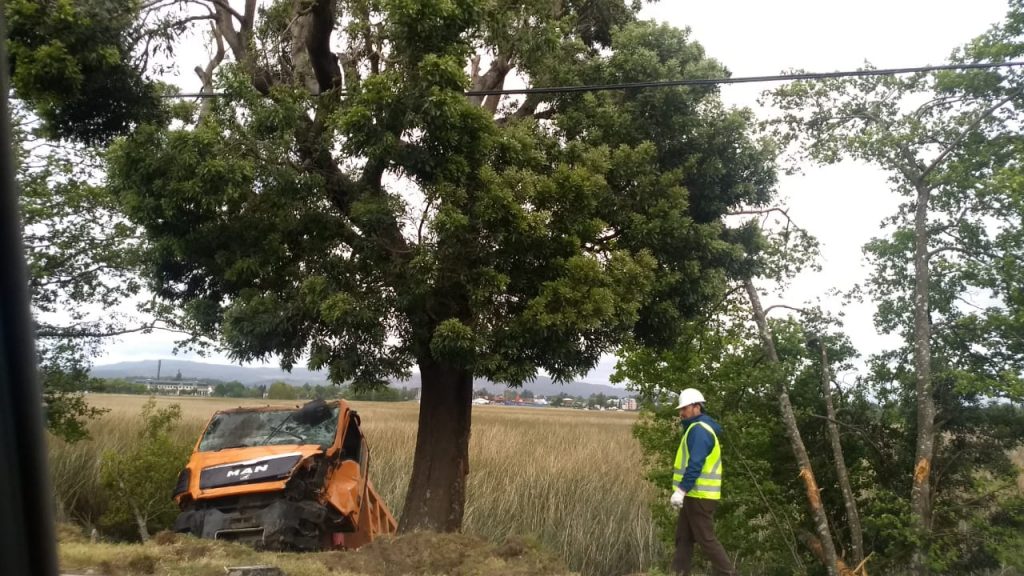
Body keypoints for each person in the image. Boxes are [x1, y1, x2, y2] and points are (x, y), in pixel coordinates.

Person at [670, 388, 735, 576]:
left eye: (685, 408)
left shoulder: (699, 430)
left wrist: (681, 490)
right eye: (680, 409)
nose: (681, 413)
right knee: (683, 537)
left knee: (706, 540)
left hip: (699, 496)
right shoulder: (696, 428)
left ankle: (728, 573)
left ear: (697, 407)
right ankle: (679, 572)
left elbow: (696, 464)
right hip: (694, 495)